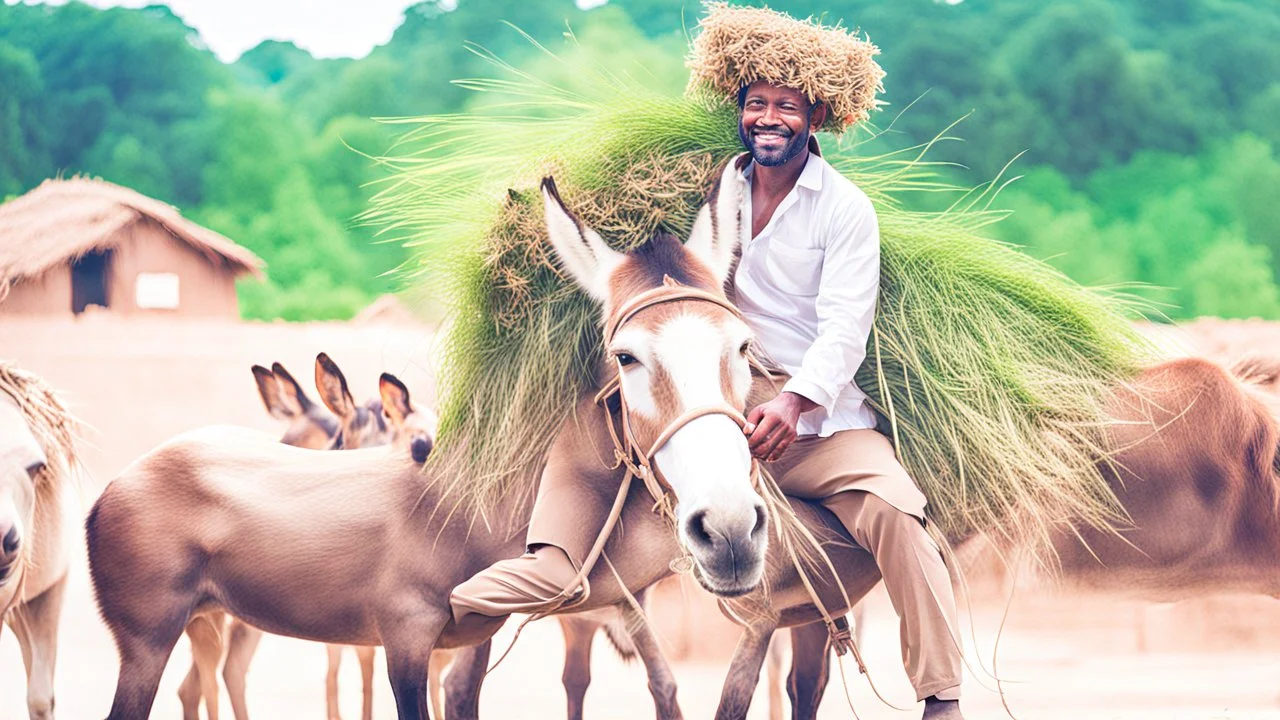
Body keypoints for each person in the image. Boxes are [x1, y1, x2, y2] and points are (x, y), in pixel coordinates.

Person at [452, 6, 964, 717]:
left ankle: (941, 697)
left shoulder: (845, 210)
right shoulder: (701, 185)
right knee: (591, 462)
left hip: (815, 413)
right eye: (757, 104)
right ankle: (493, 585)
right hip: (710, 388)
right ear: (740, 112)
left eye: (787, 105)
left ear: (815, 116)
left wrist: (796, 402)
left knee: (898, 516)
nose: (770, 118)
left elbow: (847, 326)